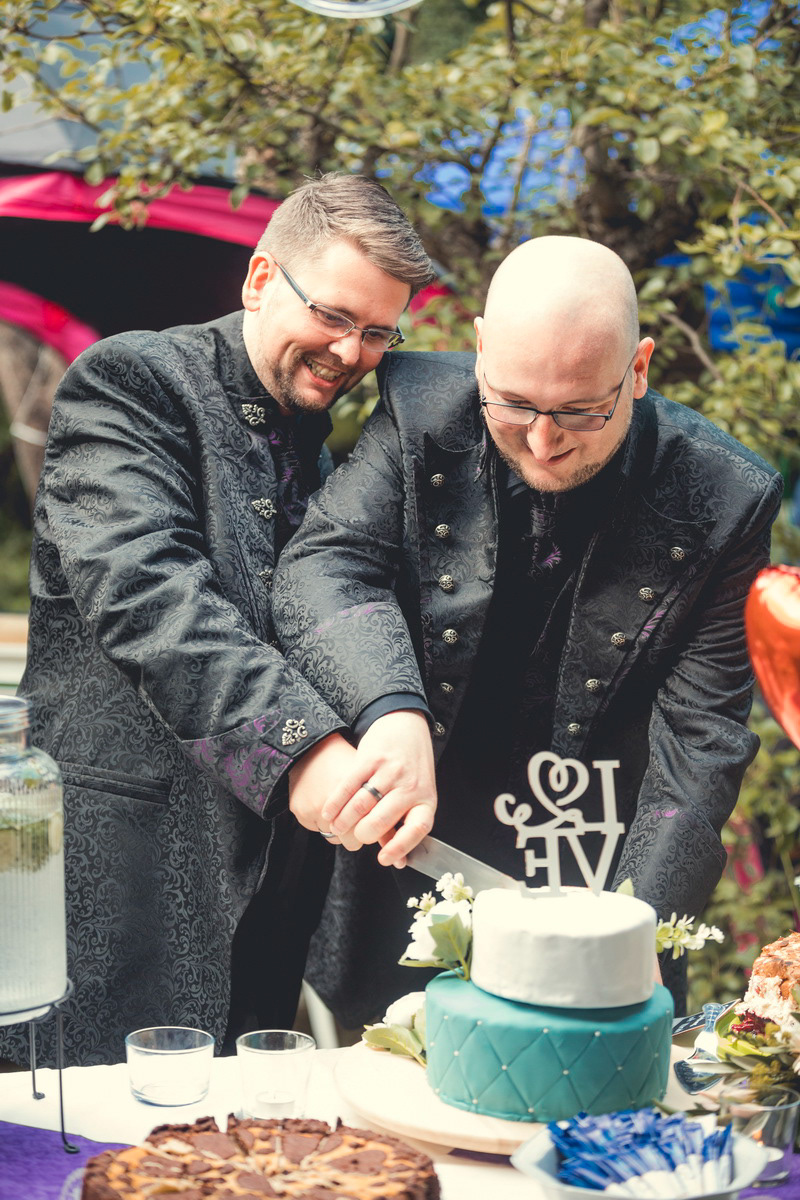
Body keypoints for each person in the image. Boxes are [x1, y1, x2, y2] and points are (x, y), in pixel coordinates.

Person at [272, 235, 783, 1021]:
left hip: (603, 848)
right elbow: (326, 565)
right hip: (413, 844)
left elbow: (702, 737)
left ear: (638, 369)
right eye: (512, 405)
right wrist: (389, 709)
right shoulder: (417, 408)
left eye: (580, 411)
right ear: (480, 349)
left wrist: (636, 929)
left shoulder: (725, 497)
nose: (544, 441)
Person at [0, 173, 434, 1066]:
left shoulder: (327, 442)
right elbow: (148, 593)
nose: (351, 351)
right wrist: (302, 749)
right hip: (124, 875)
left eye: (377, 332)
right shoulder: (130, 381)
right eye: (334, 315)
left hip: (272, 893)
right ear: (260, 279)